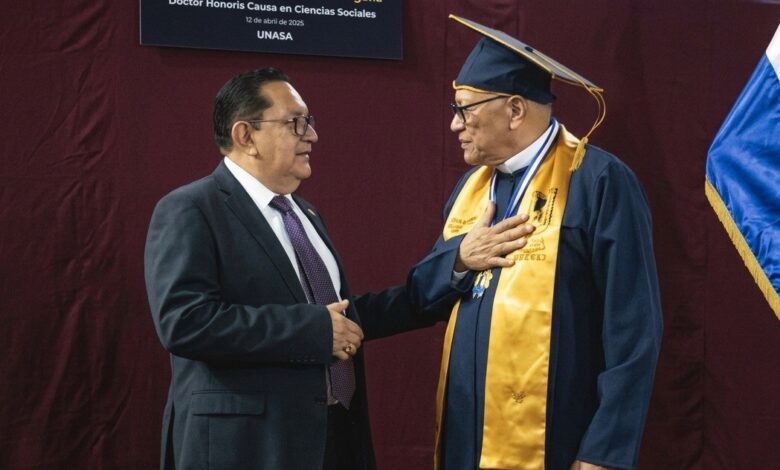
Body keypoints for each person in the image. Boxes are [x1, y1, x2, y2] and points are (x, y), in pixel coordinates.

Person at [143, 67, 531, 470]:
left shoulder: (304, 214)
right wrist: (314, 330)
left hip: (333, 439)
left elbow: (345, 319)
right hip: (248, 448)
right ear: (246, 136)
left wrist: (458, 262)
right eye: (296, 122)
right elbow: (184, 322)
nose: (311, 135)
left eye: (309, 121)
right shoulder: (191, 209)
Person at [409, 16, 664, 470]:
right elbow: (425, 294)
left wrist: (604, 450)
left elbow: (633, 328)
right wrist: (459, 260)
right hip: (465, 436)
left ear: (514, 110)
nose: (454, 125)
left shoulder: (598, 181)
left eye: (464, 109)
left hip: (557, 437)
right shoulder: (471, 189)